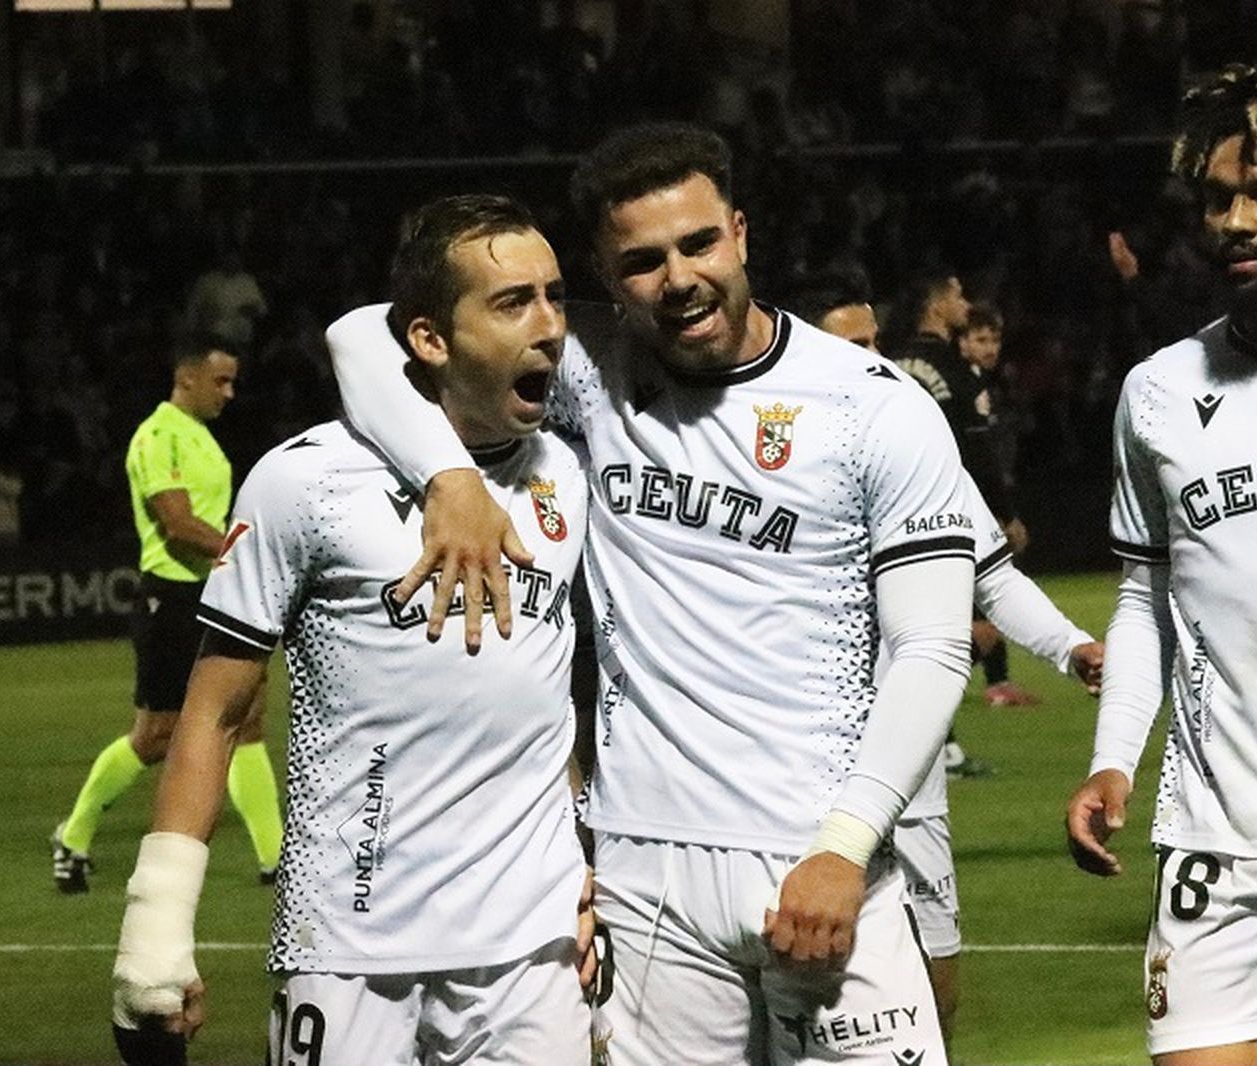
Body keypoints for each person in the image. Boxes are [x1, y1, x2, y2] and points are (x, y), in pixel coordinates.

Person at [328, 123, 974, 1064]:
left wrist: (845, 846)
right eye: (640, 261)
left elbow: (933, 648)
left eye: (698, 244)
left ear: (741, 234)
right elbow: (358, 335)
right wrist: (447, 478)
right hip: (643, 870)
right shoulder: (593, 368)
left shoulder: (874, 406)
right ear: (604, 272)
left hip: (821, 858)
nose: (677, 278)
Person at [111, 194, 595, 1065]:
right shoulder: (304, 482)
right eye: (514, 301)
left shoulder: (569, 472)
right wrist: (156, 926)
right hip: (350, 948)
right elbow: (216, 711)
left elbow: (557, 696)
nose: (552, 325)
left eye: (555, 296)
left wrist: (585, 856)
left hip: (534, 954)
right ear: (429, 339)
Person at [784, 276, 1105, 1059]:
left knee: (934, 976)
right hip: (796, 763)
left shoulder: (911, 446)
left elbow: (990, 575)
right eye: (844, 344)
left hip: (908, 766)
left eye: (871, 345)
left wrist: (1072, 647)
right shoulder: (767, 456)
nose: (865, 360)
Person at [1067, 62, 1257, 1066]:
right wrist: (1114, 755)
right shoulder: (1157, 392)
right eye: (1217, 197)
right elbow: (1147, 593)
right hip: (1216, 843)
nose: (1235, 219)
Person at [52, 330, 281, 894]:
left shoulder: (201, 437)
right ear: (186, 377)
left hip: (214, 595)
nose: (229, 393)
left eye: (233, 382)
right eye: (220, 380)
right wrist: (244, 548)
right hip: (171, 598)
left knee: (247, 719)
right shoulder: (158, 436)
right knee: (156, 736)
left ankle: (277, 858)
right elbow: (177, 524)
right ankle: (74, 836)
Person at [892, 272, 1041, 715]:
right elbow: (977, 449)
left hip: (901, 505)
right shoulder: (957, 371)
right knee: (979, 614)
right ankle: (954, 696)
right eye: (956, 295)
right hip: (956, 507)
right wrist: (1004, 513)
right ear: (937, 305)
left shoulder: (894, 361)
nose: (964, 302)